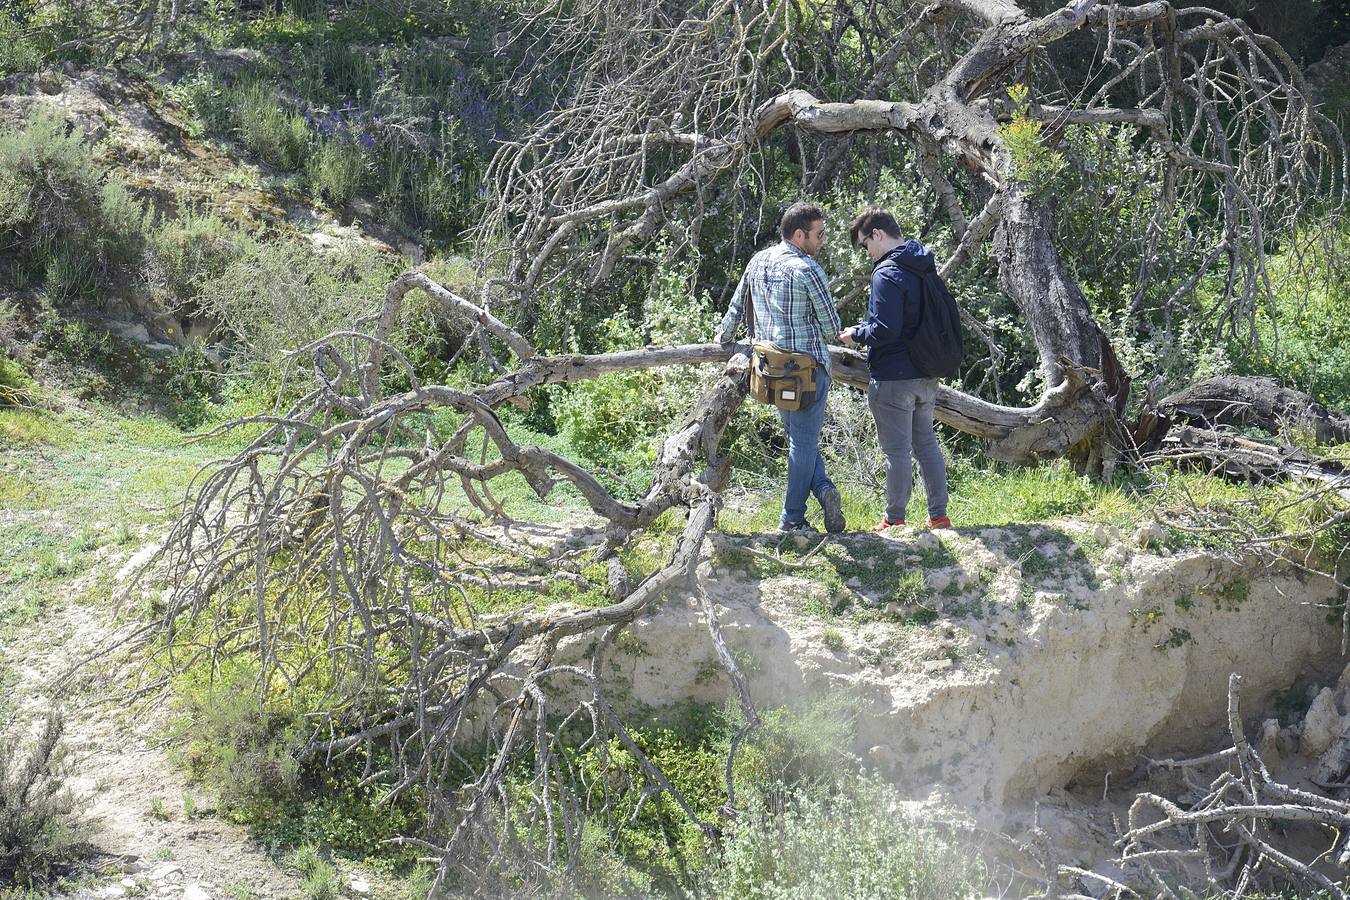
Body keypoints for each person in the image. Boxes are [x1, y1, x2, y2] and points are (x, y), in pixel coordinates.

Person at [715, 202, 846, 533]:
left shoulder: (758, 261)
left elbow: (736, 305)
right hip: (807, 370)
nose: (824, 240)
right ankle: (792, 519)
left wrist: (725, 338)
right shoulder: (808, 269)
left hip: (770, 368)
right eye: (819, 234)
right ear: (799, 235)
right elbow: (831, 328)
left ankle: (824, 489)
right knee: (803, 443)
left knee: (797, 439)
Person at [839, 208, 951, 531]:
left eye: (865, 245)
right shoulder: (922, 264)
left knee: (897, 450)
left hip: (893, 377)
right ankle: (939, 516)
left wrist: (855, 334)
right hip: (926, 375)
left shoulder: (885, 272)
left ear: (877, 235)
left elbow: (885, 328)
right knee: (926, 444)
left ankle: (895, 518)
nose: (867, 253)